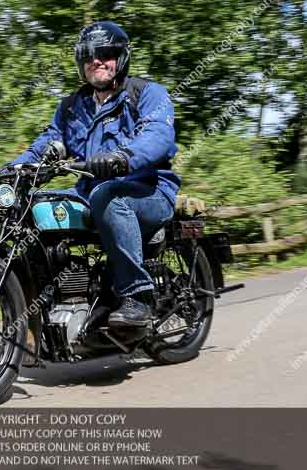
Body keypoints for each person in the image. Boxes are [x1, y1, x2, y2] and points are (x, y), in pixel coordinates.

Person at [9, 20, 180, 327]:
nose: (96, 60)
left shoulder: (147, 93)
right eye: (88, 55)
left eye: (105, 53)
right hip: (89, 192)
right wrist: (10, 171)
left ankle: (137, 297)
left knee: (108, 196)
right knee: (34, 206)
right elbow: (46, 143)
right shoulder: (73, 107)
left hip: (148, 190)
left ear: (121, 57)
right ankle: (47, 302)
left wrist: (123, 158)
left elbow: (157, 136)